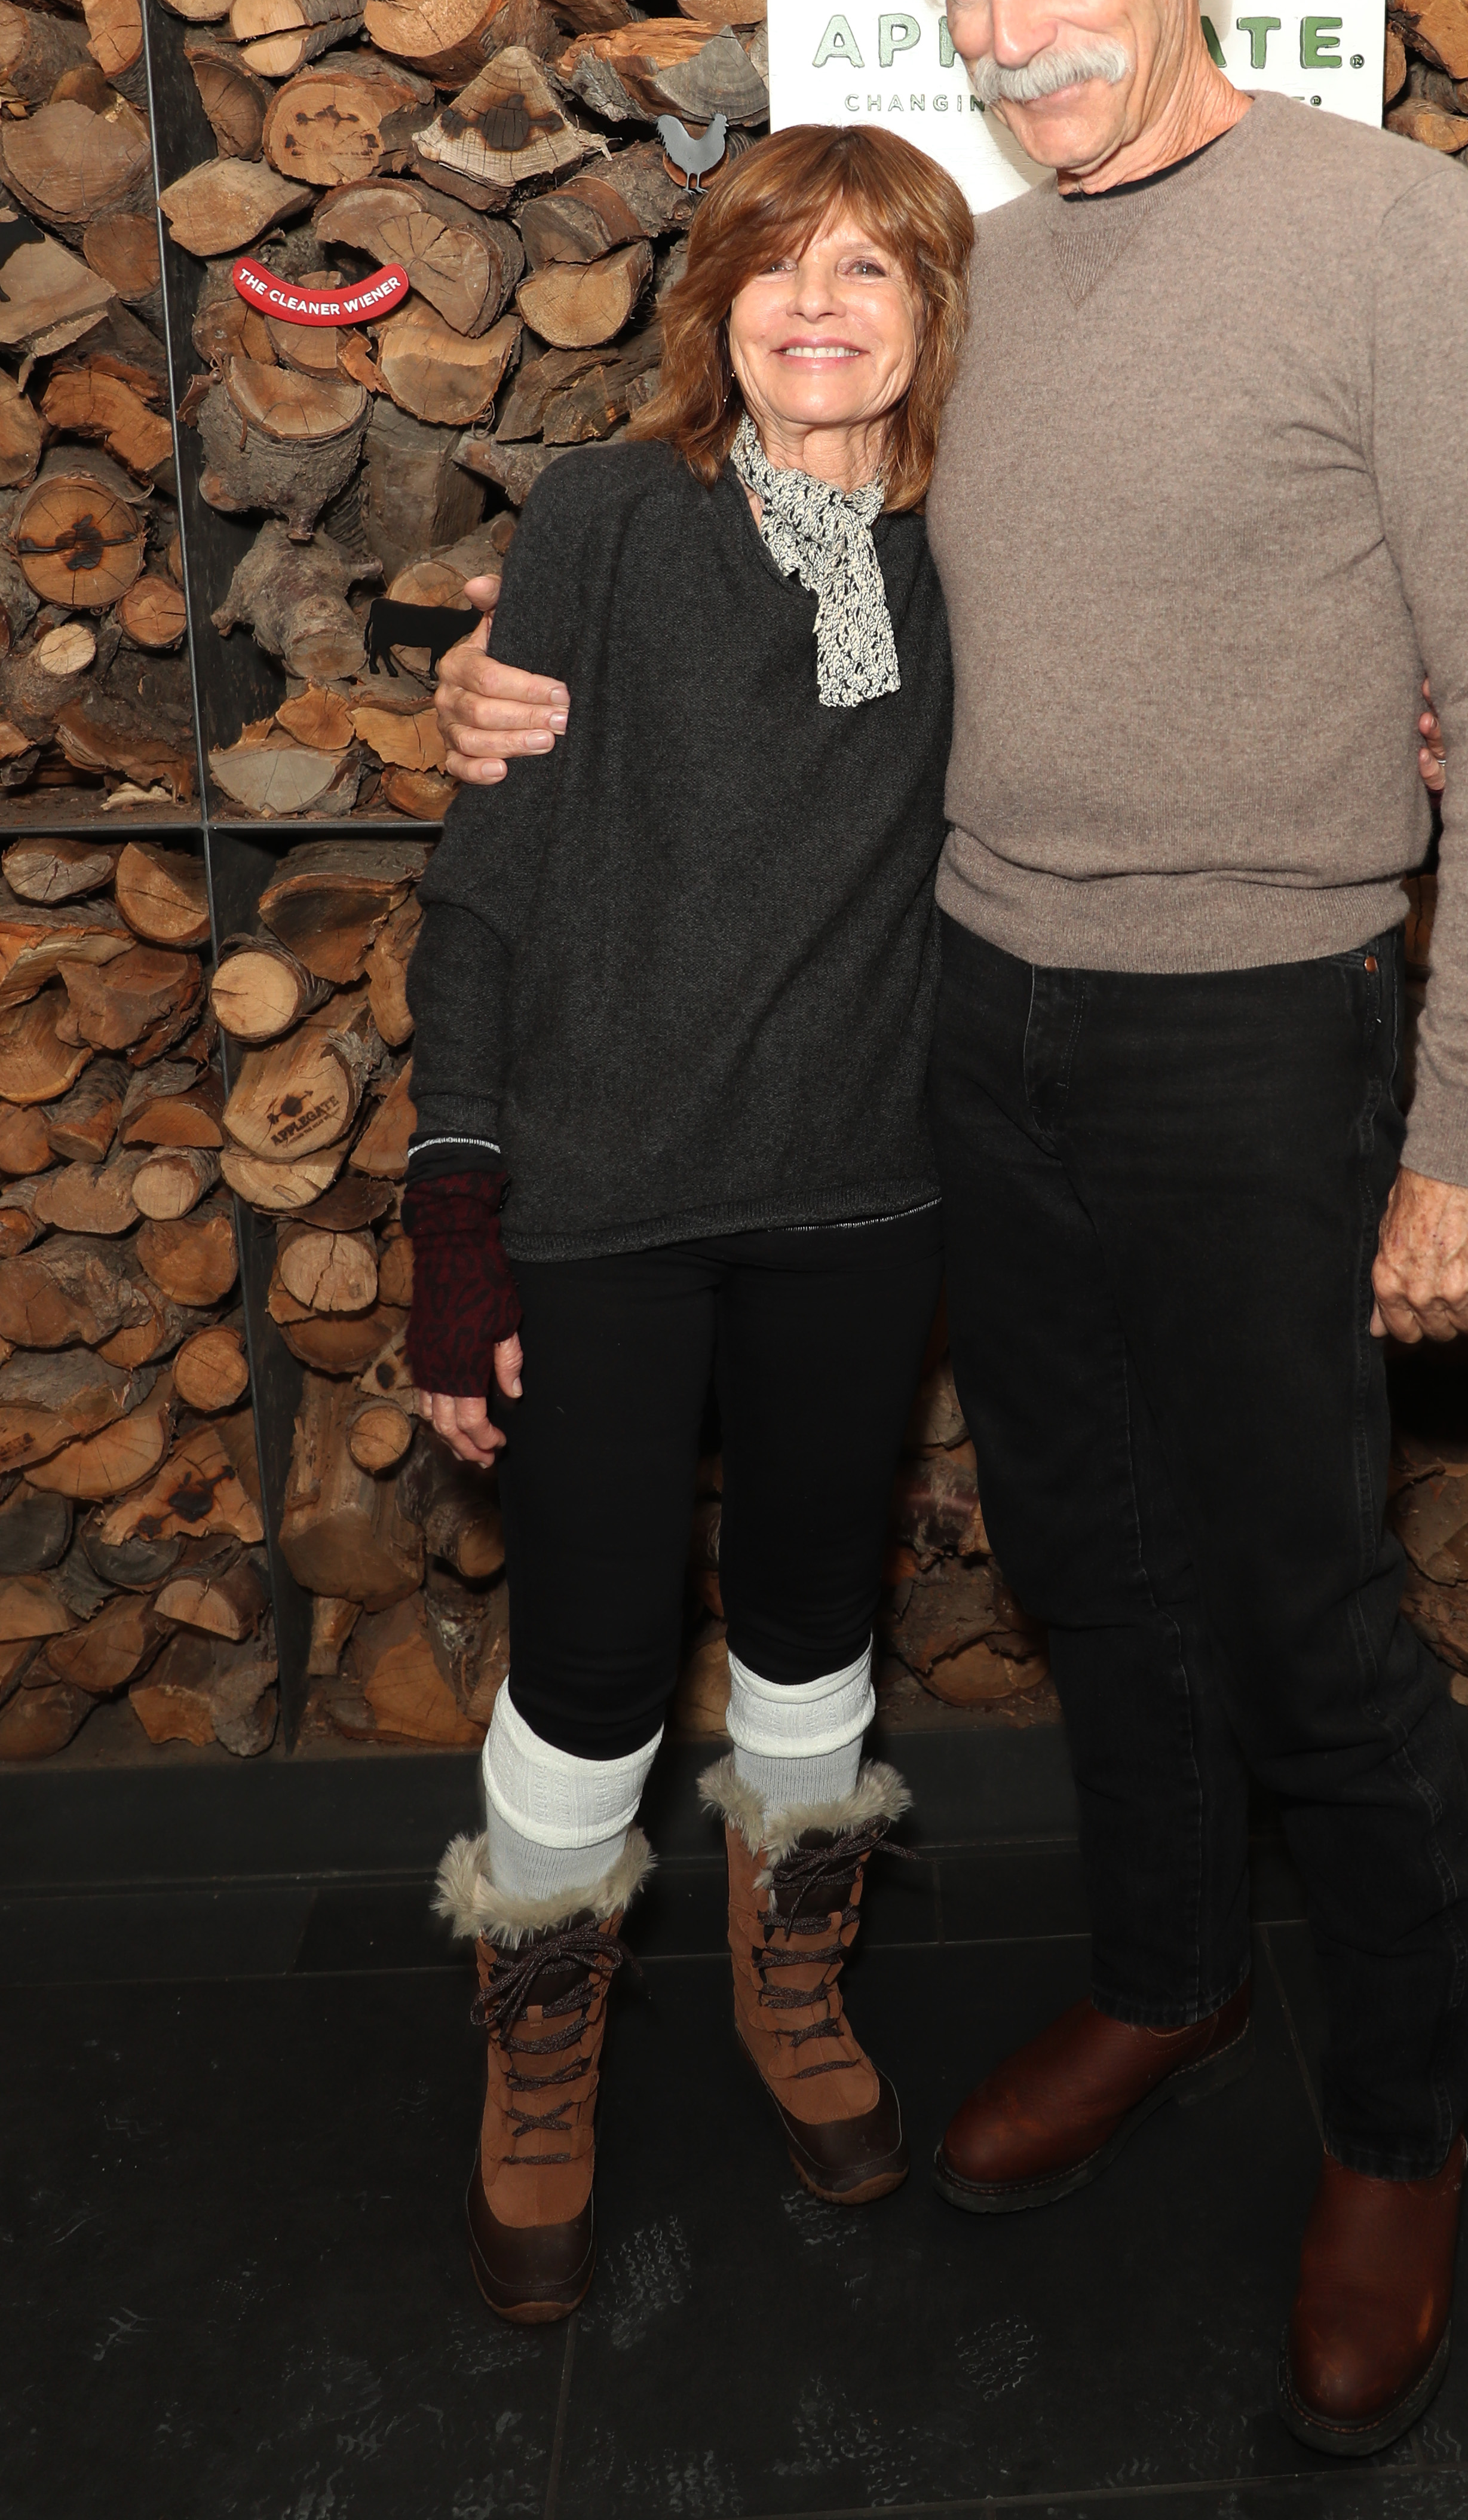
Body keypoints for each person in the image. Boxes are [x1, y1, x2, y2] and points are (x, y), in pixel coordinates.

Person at [433, 0, 1468, 2452]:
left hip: (1251, 1041)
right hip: (967, 1025)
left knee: (1313, 1617)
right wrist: (484, 701)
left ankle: (1402, 2125)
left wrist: (1461, 1135)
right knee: (1091, 1571)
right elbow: (759, 590)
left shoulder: (1387, 231)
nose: (1006, 25)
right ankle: (1169, 1983)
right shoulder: (973, 271)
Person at [403, 122, 972, 2325]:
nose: (817, 306)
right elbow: (491, 877)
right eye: (776, 265)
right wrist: (462, 1206)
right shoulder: (612, 520)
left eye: (870, 271)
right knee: (595, 1649)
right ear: (714, 300)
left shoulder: (963, 546)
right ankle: (540, 2043)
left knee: (822, 1619)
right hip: (610, 1201)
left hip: (867, 1189)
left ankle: (791, 1980)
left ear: (932, 315)